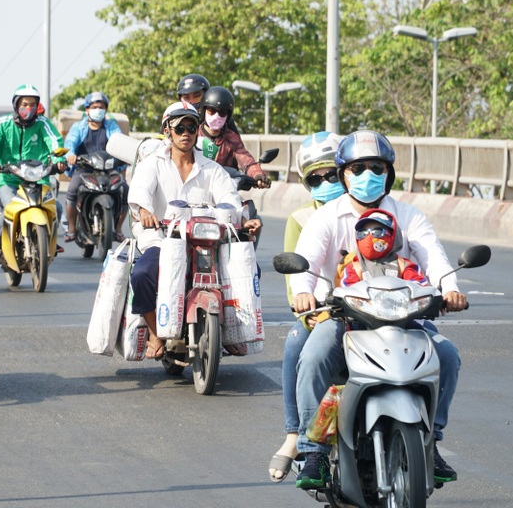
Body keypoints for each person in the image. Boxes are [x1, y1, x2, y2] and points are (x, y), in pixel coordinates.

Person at [290, 130, 467, 490]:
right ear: (343, 174)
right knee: (313, 357)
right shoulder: (327, 218)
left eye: (376, 167)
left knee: (447, 356)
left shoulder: (409, 216)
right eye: (358, 168)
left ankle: (431, 442)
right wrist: (304, 293)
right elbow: (306, 260)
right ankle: (313, 452)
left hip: (405, 318)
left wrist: (450, 289)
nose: (367, 175)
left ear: (389, 173)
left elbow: (433, 256)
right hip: (343, 317)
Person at [127, 101, 262, 359]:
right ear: (167, 130)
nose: (186, 133)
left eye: (191, 127)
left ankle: (231, 329)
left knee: (251, 269)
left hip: (205, 241)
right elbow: (140, 192)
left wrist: (243, 220)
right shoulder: (152, 164)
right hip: (162, 239)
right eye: (180, 128)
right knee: (142, 275)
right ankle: (155, 332)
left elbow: (230, 200)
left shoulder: (211, 168)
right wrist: (144, 211)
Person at [268, 131, 343, 483]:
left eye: (333, 174)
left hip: (373, 308)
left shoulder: (374, 212)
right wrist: (307, 304)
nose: (326, 183)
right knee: (297, 341)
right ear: (306, 183)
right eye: (316, 178)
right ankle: (295, 435)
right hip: (323, 311)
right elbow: (294, 283)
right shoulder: (301, 220)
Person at [0, 83, 66, 255]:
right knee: (12, 206)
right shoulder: (3, 124)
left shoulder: (43, 124)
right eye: (24, 104)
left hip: (37, 178)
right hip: (8, 178)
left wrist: (59, 160)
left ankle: (49, 241)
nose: (28, 108)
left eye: (33, 105)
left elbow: (55, 142)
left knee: (56, 207)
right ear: (16, 105)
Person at [62, 91, 128, 243]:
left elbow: (119, 141)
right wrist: (70, 155)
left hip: (108, 169)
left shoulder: (111, 126)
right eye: (94, 107)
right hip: (84, 169)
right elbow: (70, 143)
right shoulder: (79, 127)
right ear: (87, 110)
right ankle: (71, 229)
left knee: (125, 189)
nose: (98, 110)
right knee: (72, 190)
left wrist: (124, 154)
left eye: (101, 107)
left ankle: (118, 229)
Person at [196, 86, 270, 188]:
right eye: (211, 111)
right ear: (204, 111)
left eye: (222, 113)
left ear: (228, 115)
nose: (216, 116)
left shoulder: (232, 139)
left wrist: (258, 175)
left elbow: (246, 161)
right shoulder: (193, 134)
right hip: (195, 187)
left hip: (224, 189)